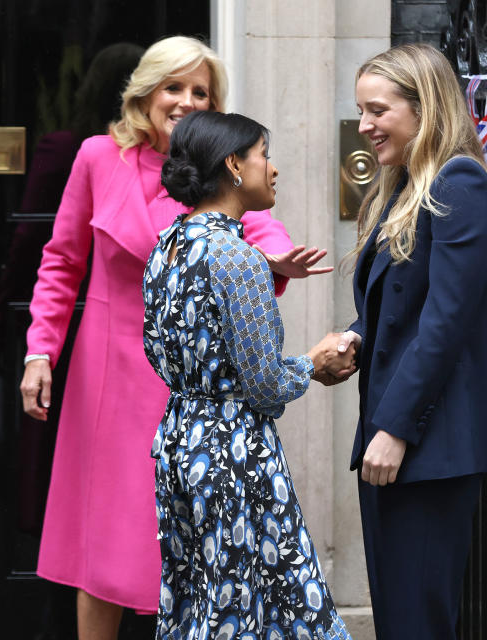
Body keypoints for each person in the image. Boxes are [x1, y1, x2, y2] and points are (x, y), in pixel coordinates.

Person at [19, 36, 330, 640]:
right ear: (146, 92)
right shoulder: (96, 156)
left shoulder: (222, 166)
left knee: (185, 541)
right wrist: (40, 351)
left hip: (186, 382)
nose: (186, 100)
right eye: (174, 87)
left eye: (201, 91)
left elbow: (263, 230)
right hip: (105, 374)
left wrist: (272, 261)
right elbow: (60, 261)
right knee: (103, 540)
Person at [145, 110, 355, 639]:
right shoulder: (237, 257)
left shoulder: (167, 248)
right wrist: (315, 360)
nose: (274, 168)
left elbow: (155, 350)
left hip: (178, 441)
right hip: (232, 452)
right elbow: (265, 387)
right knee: (258, 606)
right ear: (235, 165)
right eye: (265, 154)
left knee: (200, 600)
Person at [338, 43, 487, 639]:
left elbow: (447, 322)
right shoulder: (402, 186)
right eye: (361, 111)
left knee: (417, 622)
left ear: (426, 108)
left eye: (377, 110)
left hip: (426, 444)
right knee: (400, 619)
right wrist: (355, 338)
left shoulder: (459, 182)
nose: (364, 126)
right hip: (395, 438)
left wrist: (394, 428)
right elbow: (399, 309)